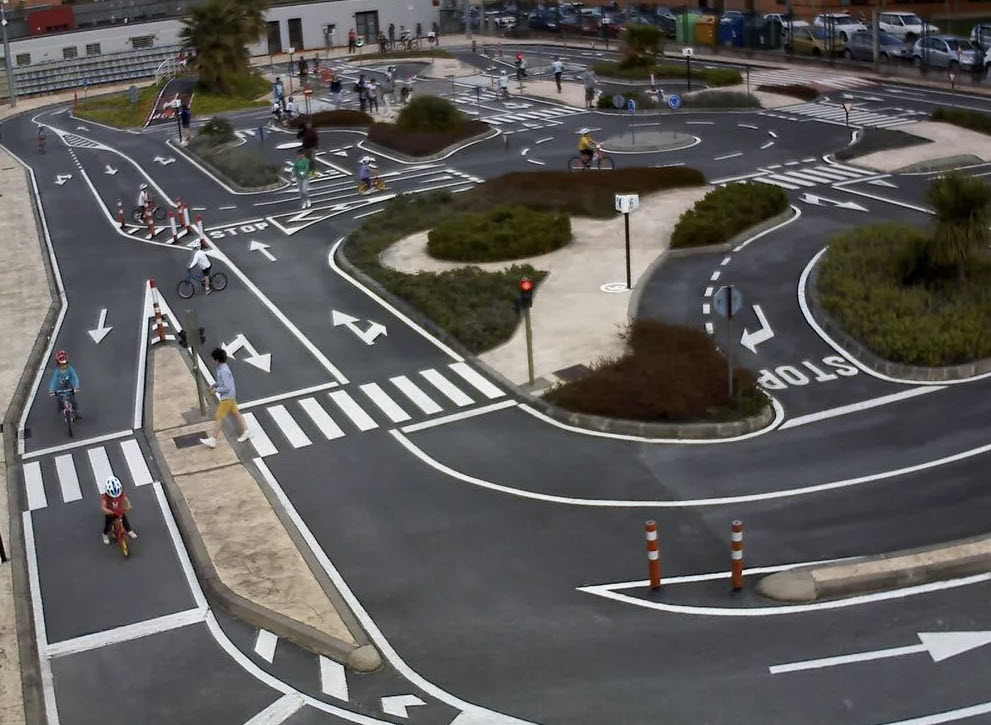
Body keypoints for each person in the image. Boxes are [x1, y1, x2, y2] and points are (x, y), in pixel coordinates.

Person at [200, 348, 252, 449]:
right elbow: (222, 382)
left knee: (219, 416)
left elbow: (226, 387)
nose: (213, 361)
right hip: (230, 395)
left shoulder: (223, 370)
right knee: (236, 413)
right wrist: (214, 385)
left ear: (217, 360)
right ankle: (246, 431)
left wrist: (216, 390)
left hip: (227, 397)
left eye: (214, 359)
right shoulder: (222, 368)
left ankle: (213, 439)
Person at [101, 477, 137, 546]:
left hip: (120, 510)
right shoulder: (106, 497)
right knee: (108, 524)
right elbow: (103, 506)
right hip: (111, 512)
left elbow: (126, 499)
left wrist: (128, 505)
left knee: (125, 521)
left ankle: (129, 530)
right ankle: (105, 534)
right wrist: (107, 510)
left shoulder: (121, 494)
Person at [48, 350, 80, 419]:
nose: (64, 366)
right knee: (59, 399)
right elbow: (54, 381)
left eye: (65, 364)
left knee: (73, 400)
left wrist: (76, 386)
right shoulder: (57, 372)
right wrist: (51, 390)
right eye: (62, 365)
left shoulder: (70, 369)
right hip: (60, 387)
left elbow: (75, 377)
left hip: (69, 386)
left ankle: (76, 412)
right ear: (58, 364)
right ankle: (60, 407)